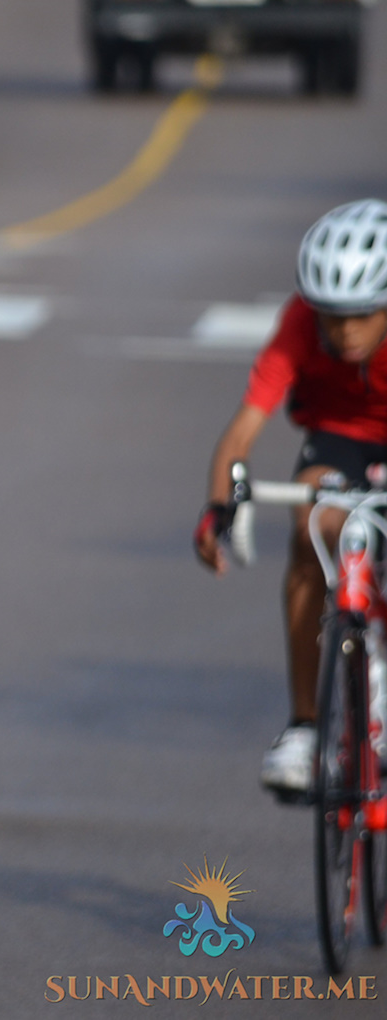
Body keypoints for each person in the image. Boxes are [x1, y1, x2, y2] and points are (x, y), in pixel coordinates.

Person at [195, 199, 387, 795]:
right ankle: (304, 728)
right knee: (310, 527)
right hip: (338, 438)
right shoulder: (299, 324)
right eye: (332, 316)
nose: (345, 331)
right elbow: (242, 430)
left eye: (362, 315)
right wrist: (217, 509)